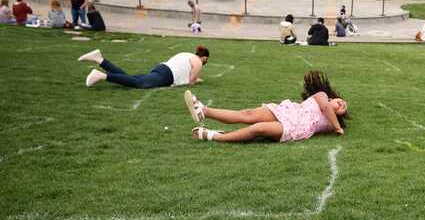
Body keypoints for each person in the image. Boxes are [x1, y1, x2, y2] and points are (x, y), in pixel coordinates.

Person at [185, 70, 348, 142]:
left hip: (294, 127)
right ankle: (204, 111)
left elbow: (330, 117)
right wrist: (338, 128)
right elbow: (326, 108)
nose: (342, 103)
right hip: (287, 111)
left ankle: (214, 135)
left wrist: (337, 126)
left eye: (343, 108)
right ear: (332, 97)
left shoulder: (329, 124)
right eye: (340, 100)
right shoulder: (322, 96)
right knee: (247, 114)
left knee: (258, 129)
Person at [79, 45, 209, 88]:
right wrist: (195, 81)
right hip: (167, 75)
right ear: (204, 57)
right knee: (139, 84)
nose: (204, 64)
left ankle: (100, 59)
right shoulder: (198, 61)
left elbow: (186, 73)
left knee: (128, 77)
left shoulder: (186, 54)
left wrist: (195, 79)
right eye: (206, 61)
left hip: (162, 69)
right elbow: (191, 80)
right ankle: (101, 75)